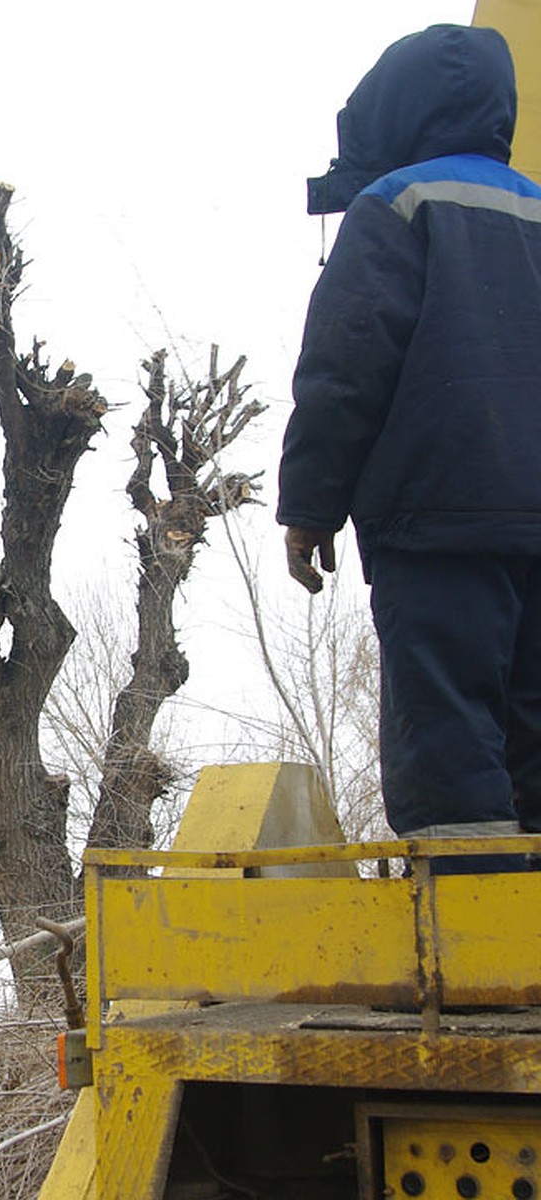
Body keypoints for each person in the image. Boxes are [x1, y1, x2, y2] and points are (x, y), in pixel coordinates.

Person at [277, 24, 541, 867]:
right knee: (533, 733)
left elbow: (345, 369)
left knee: (450, 733)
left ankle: (475, 954)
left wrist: (310, 506)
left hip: (438, 520)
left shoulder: (395, 205)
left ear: (395, 113)